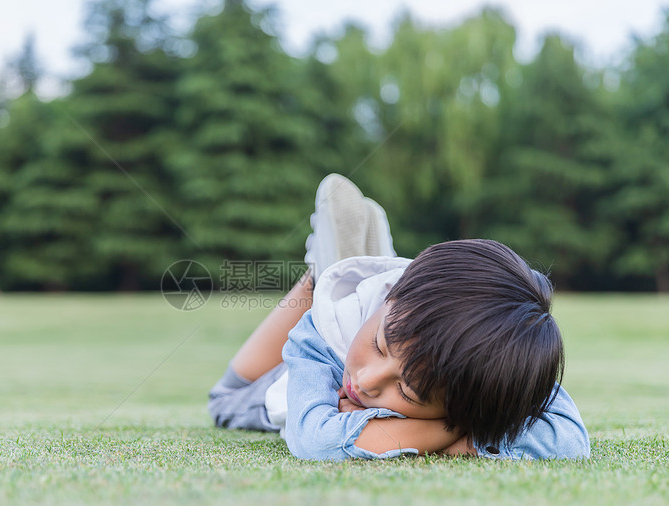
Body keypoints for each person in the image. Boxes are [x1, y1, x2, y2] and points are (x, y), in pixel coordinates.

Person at [208, 174, 590, 461]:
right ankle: (324, 276)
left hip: (375, 309)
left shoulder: (493, 357)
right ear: (395, 293)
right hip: (325, 342)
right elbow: (314, 439)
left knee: (362, 317)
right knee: (224, 400)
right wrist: (447, 431)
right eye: (379, 345)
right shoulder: (321, 333)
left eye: (408, 392)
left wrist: (445, 426)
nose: (365, 381)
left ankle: (341, 273)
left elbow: (570, 439)